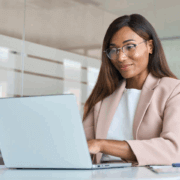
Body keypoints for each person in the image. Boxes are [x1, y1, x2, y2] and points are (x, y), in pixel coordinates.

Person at [82, 13, 180, 167]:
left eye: (129, 47)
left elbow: (174, 150)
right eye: (113, 50)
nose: (120, 57)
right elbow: (82, 147)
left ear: (150, 46)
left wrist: (102, 145)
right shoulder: (102, 97)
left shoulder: (172, 90)